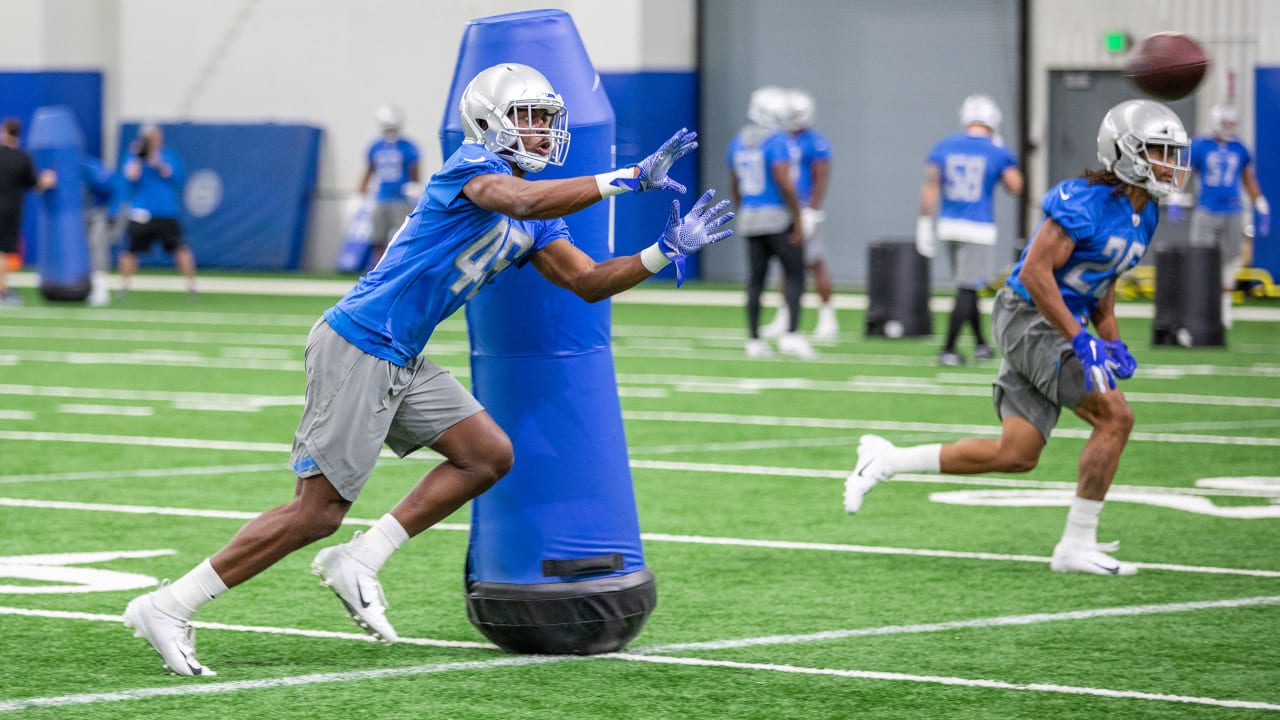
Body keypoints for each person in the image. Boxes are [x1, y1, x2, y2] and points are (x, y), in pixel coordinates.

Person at [122, 62, 733, 676]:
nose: (544, 132)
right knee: (316, 512)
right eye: (529, 118)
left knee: (487, 453)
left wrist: (666, 249)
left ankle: (359, 559)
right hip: (360, 341)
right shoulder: (473, 167)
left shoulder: (541, 214)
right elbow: (515, 197)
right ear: (490, 122)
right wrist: (624, 178)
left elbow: (589, 282)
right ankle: (170, 605)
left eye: (548, 119)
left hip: (400, 351)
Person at [845, 99, 1191, 576]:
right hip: (1027, 315)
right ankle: (1075, 544)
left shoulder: (1145, 214)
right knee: (1115, 417)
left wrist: (1110, 341)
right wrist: (1080, 337)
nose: (1169, 165)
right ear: (1125, 152)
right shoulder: (1083, 202)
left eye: (1172, 154)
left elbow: (1102, 287)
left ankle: (885, 460)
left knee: (1017, 454)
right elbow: (1034, 273)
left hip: (1057, 322)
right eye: (1158, 152)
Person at [916, 95, 1023, 366]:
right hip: (978, 226)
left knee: (967, 285)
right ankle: (949, 348)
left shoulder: (945, 146)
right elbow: (1015, 187)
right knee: (967, 287)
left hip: (949, 224)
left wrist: (924, 223)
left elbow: (930, 187)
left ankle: (980, 344)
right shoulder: (996, 151)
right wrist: (1002, 158)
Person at [729, 85, 815, 360]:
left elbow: (734, 185)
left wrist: (744, 210)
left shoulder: (738, 140)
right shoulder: (776, 141)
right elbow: (784, 181)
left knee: (756, 281)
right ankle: (791, 335)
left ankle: (754, 339)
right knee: (795, 276)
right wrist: (798, 216)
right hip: (778, 217)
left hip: (751, 218)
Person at [1184, 103, 1270, 329]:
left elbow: (1247, 176)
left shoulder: (1240, 148)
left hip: (1233, 209)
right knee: (1200, 258)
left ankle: (1225, 309)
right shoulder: (1201, 145)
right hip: (1207, 208)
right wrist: (1174, 195)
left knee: (1230, 261)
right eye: (1225, 123)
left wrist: (1259, 200)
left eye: (1232, 123)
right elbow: (1185, 171)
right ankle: (1200, 309)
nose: (1229, 127)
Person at [761, 88, 837, 341]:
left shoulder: (815, 142)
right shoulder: (778, 139)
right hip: (785, 208)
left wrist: (812, 210)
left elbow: (820, 178)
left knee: (815, 262)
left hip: (804, 209)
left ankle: (828, 317)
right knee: (787, 265)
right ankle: (784, 316)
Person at [118, 124, 197, 298]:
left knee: (180, 248)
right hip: (141, 212)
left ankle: (191, 286)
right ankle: (123, 286)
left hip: (166, 212)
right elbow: (130, 176)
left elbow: (173, 176)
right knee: (130, 250)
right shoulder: (133, 156)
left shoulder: (169, 156)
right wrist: (139, 157)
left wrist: (155, 160)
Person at [0, 118, 55, 305]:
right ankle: (2, 292)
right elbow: (37, 185)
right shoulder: (22, 158)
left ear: (4, 132)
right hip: (10, 211)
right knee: (3, 252)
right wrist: (49, 178)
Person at [359, 105, 421, 267]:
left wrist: (415, 187)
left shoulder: (408, 146)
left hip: (401, 198)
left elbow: (414, 170)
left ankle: (399, 267)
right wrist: (360, 192)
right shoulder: (376, 146)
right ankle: (378, 269)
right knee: (378, 237)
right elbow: (369, 170)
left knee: (402, 237)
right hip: (381, 197)